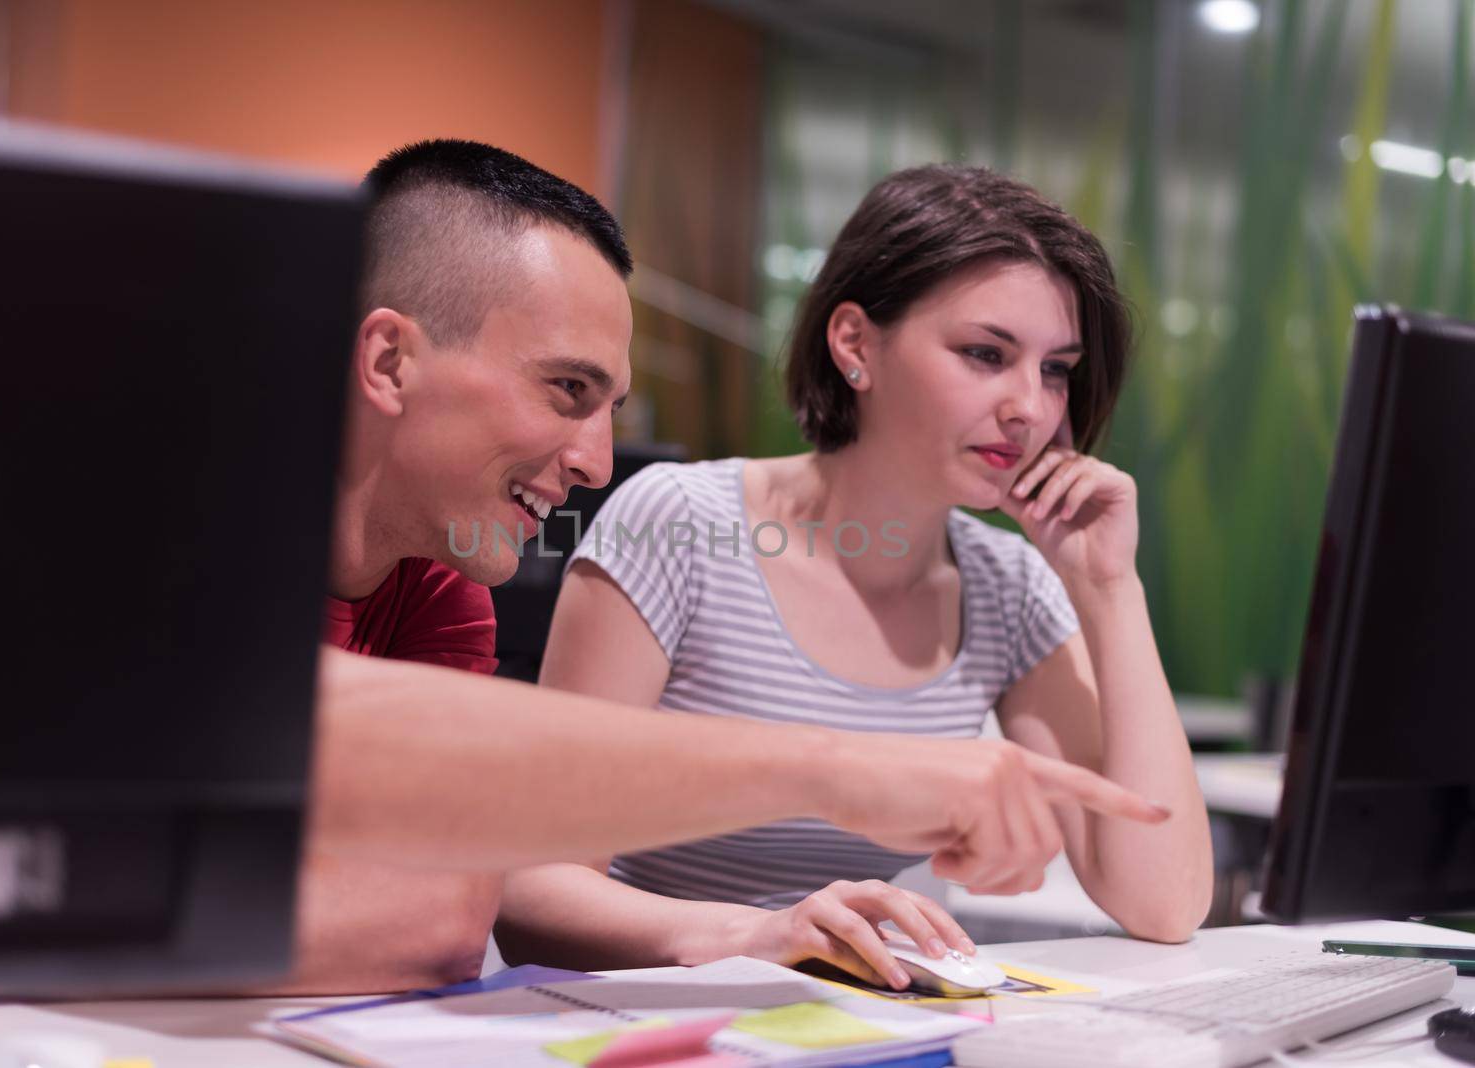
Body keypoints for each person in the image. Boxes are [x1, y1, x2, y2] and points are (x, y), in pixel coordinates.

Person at [289, 144, 1174, 995]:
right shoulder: (679, 521)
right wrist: (821, 797)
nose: (1030, 407)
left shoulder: (445, 593)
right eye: (985, 354)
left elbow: (444, 916)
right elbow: (479, 889)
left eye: (1057, 370)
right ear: (854, 345)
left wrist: (1107, 587)